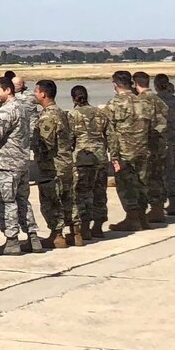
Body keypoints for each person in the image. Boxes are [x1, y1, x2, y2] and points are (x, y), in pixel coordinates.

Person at [0, 80, 43, 255]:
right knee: (23, 201)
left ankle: (12, 240)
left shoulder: (7, 110)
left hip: (6, 165)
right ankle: (33, 238)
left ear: (8, 90)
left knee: (6, 202)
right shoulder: (22, 107)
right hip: (21, 162)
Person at [105, 71, 155, 233]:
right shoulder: (144, 102)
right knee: (142, 183)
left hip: (125, 152)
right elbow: (153, 128)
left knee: (126, 185)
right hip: (143, 149)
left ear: (115, 85)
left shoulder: (113, 104)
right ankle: (141, 217)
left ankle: (132, 218)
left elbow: (110, 133)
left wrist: (113, 156)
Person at [32, 81, 77, 247]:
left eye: (36, 91)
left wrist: (32, 142)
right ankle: (76, 232)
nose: (34, 94)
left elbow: (46, 143)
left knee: (51, 200)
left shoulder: (47, 116)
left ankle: (57, 235)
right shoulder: (62, 112)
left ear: (43, 94)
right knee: (68, 199)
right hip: (66, 162)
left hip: (52, 166)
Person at [66, 85, 110, 240]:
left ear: (73, 98)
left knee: (81, 193)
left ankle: (83, 228)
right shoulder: (100, 113)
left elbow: (69, 138)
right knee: (99, 192)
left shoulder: (72, 114)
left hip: (82, 157)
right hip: (100, 156)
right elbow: (110, 135)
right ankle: (98, 227)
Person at [132, 71, 169, 226]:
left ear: (136, 84)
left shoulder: (141, 101)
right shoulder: (158, 100)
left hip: (147, 144)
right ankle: (158, 207)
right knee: (158, 176)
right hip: (159, 143)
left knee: (144, 179)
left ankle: (146, 211)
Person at [154, 73, 175, 218]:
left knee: (168, 172)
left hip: (167, 139)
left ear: (156, 85)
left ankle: (173, 202)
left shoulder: (158, 101)